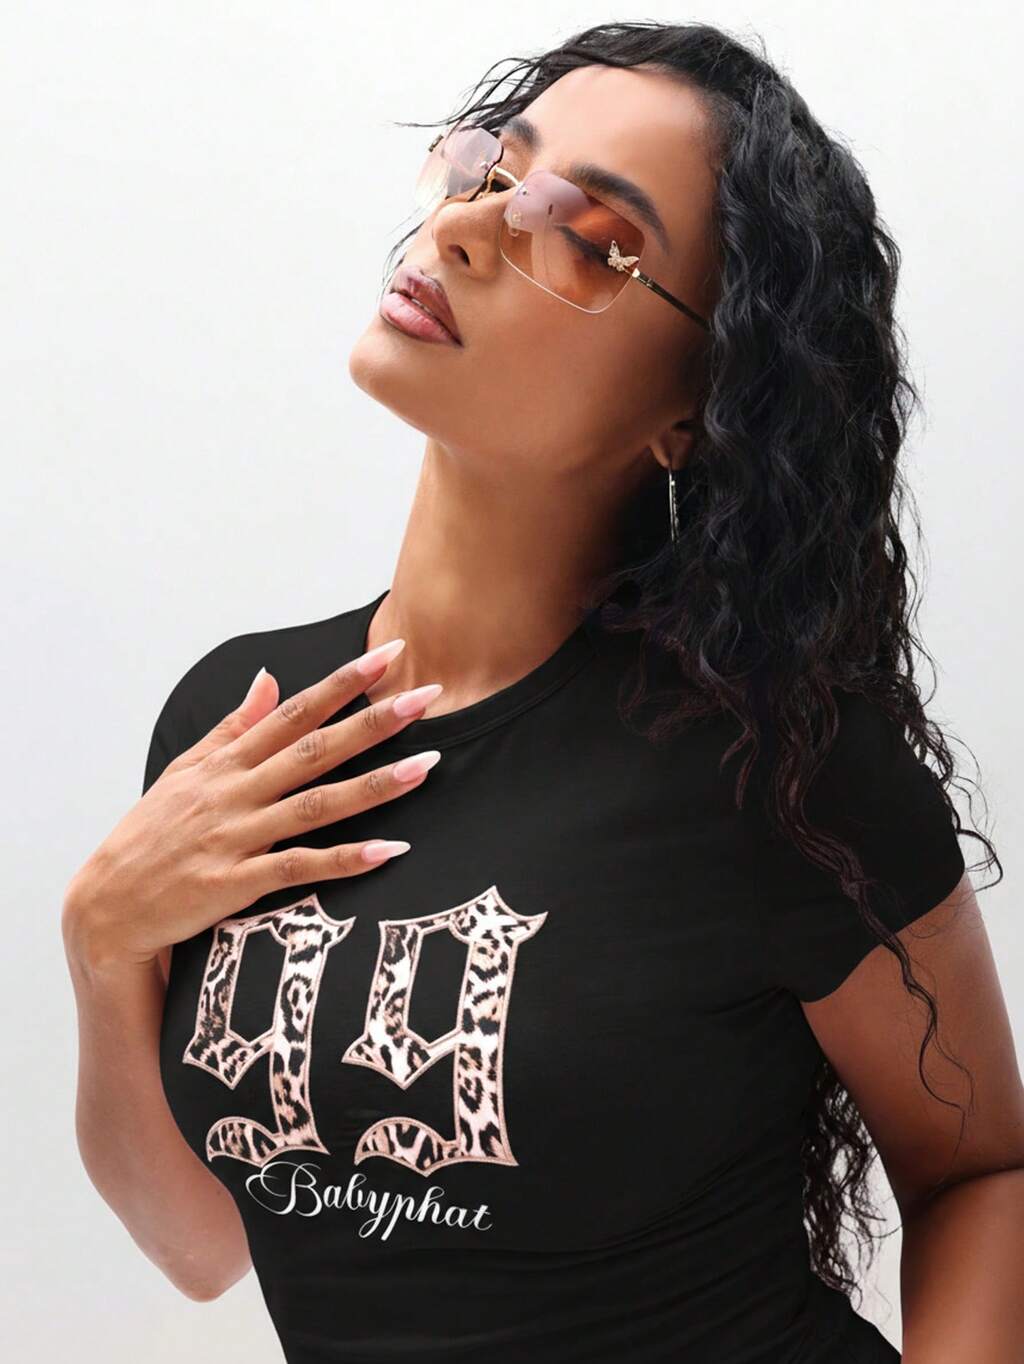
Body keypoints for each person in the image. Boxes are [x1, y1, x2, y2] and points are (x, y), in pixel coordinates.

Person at [62, 20, 1023, 1364]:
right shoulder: (243, 721)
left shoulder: (777, 767)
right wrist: (102, 947)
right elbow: (205, 1247)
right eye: (494, 173)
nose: (469, 230)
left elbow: (981, 1173)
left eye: (590, 240)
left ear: (694, 405)